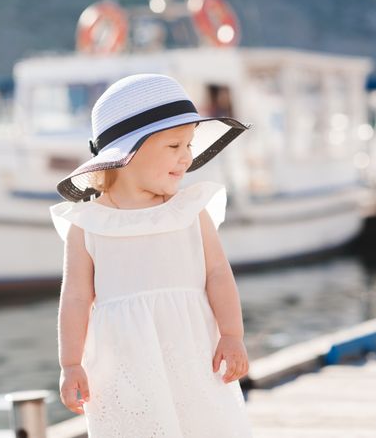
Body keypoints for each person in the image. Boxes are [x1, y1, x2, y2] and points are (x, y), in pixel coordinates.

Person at [49, 73, 254, 437]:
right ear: (127, 154)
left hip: (192, 353)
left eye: (189, 145)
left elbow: (218, 275)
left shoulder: (191, 211)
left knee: (204, 424)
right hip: (123, 364)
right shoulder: (90, 224)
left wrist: (232, 334)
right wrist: (71, 363)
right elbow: (76, 298)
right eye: (174, 146)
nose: (187, 158)